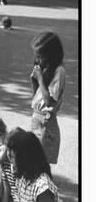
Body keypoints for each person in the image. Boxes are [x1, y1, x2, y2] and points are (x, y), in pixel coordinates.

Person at [30, 31, 66, 165]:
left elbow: (49, 101)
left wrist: (40, 79)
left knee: (42, 160)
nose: (37, 60)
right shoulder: (46, 69)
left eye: (40, 56)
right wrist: (34, 82)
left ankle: (44, 185)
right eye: (36, 56)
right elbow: (36, 98)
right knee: (34, 156)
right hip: (36, 117)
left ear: (51, 55)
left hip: (46, 121)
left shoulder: (59, 71)